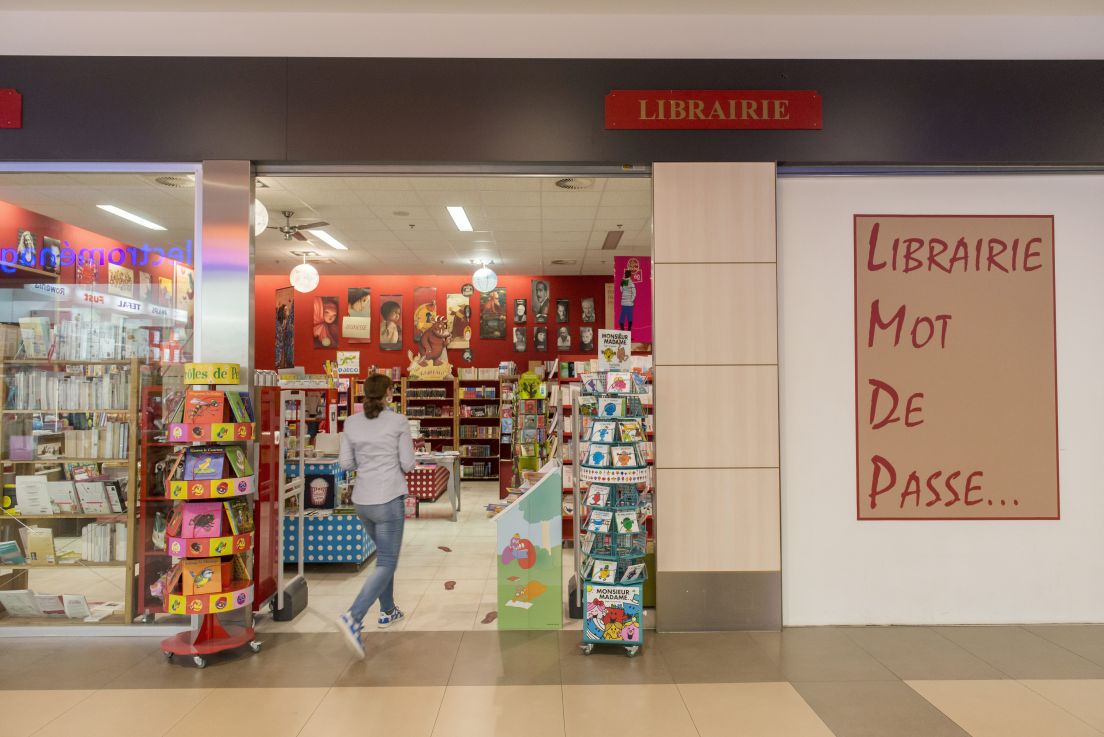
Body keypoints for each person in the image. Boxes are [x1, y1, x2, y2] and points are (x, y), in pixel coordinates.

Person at [336, 374, 416, 658]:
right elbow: (408, 463)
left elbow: (345, 463)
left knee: (384, 557)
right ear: (388, 394)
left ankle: (388, 610)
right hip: (388, 498)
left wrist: (366, 461)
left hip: (362, 501)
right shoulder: (398, 421)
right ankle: (354, 617)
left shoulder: (351, 423)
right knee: (387, 562)